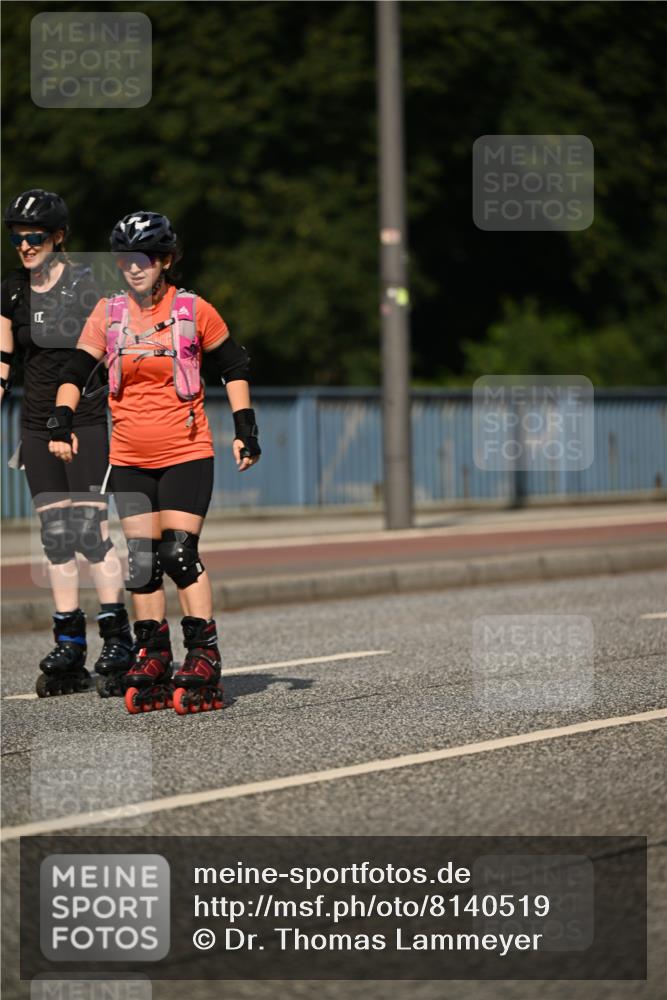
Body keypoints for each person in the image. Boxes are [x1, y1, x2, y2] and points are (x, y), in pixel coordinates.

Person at [48, 210, 261, 715]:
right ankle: (153, 653)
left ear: (165, 260)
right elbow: (77, 366)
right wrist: (60, 416)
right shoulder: (111, 312)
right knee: (142, 562)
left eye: (142, 258)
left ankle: (204, 653)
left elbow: (233, 365)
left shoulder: (193, 309)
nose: (133, 267)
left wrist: (245, 429)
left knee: (178, 556)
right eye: (123, 259)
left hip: (186, 451)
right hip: (129, 455)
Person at [0, 189, 133, 698]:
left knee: (89, 531)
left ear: (58, 237)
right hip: (34, 425)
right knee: (55, 536)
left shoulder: (86, 288)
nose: (25, 245)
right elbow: (6, 360)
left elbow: (97, 355)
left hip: (84, 422)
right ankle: (69, 642)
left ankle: (116, 637)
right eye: (17, 237)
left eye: (34, 237)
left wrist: (69, 421)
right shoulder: (13, 291)